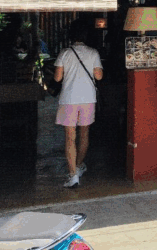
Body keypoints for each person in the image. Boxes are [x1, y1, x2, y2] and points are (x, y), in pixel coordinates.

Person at [54, 19, 103, 188]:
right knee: (84, 134)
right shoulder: (93, 53)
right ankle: (79, 165)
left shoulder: (64, 53)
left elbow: (57, 78)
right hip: (88, 98)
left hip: (69, 99)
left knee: (70, 137)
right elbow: (99, 76)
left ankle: (72, 175)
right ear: (86, 35)